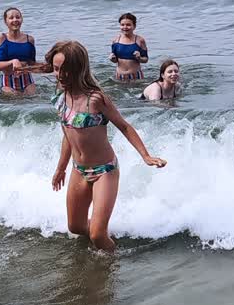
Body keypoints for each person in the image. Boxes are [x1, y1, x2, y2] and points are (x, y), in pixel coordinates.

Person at [46, 41, 166, 252]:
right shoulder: (60, 98)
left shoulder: (96, 99)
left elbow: (124, 126)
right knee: (75, 227)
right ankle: (103, 235)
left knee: (97, 235)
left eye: (65, 70)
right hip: (78, 170)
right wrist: (60, 168)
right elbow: (68, 135)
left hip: (104, 171)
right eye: (56, 69)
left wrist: (146, 156)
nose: (60, 75)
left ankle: (112, 260)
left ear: (78, 69)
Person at [0, 8, 37, 95]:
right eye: (11, 18)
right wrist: (13, 61)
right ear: (5, 22)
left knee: (33, 99)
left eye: (18, 17)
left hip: (27, 80)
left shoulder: (29, 40)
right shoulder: (1, 39)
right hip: (8, 81)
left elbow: (32, 63)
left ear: (22, 19)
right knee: (14, 99)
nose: (15, 20)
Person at [108, 13, 149, 82]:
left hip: (136, 76)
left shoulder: (140, 40)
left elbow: (146, 59)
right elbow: (115, 61)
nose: (125, 27)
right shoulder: (116, 40)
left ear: (134, 26)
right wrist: (112, 59)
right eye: (122, 25)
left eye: (128, 25)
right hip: (119, 76)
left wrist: (139, 58)